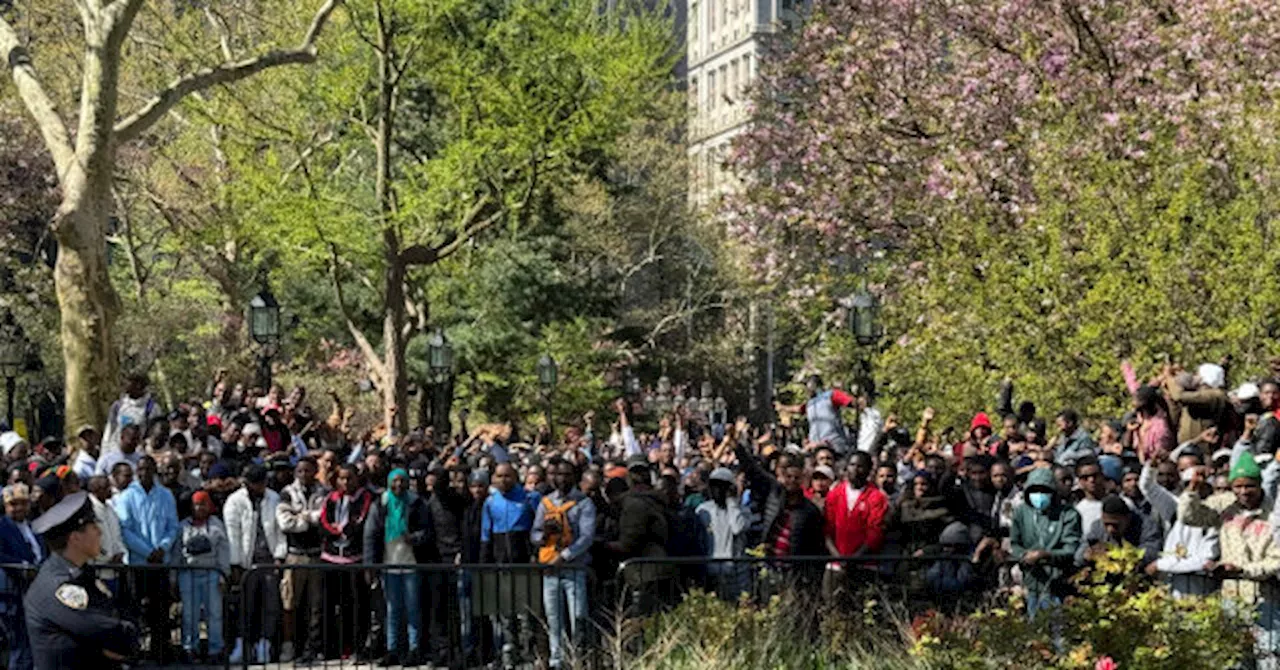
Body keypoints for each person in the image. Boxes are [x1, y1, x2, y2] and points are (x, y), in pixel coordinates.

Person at [1178, 450, 1280, 660]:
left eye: (1249, 485)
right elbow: (1189, 517)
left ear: (1260, 485)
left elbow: (1277, 561)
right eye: (1238, 486)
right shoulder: (1225, 505)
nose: (1243, 492)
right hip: (1232, 599)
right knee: (1233, 659)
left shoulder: (1273, 514)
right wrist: (1192, 490)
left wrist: (1244, 570)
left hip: (1265, 599)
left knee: (1268, 659)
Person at [24, 493, 139, 669]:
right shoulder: (59, 586)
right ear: (75, 537)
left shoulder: (81, 574)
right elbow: (119, 638)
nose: (100, 532)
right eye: (94, 527)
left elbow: (112, 618)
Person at [531, 457, 596, 670]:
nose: (562, 479)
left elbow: (586, 537)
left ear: (575, 477)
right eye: (559, 475)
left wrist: (565, 556)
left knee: (578, 616)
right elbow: (534, 533)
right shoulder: (545, 503)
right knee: (553, 617)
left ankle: (578, 657)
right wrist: (543, 536)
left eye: (567, 475)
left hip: (573, 568)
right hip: (550, 569)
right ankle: (556, 660)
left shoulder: (584, 503)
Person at [112, 455, 178, 662]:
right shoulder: (127, 496)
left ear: (154, 470)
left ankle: (160, 651)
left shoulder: (166, 495)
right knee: (134, 610)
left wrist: (162, 548)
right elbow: (126, 530)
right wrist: (147, 552)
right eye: (140, 469)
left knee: (160, 609)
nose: (144, 473)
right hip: (138, 563)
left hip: (160, 562)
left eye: (148, 469)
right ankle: (134, 652)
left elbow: (172, 526)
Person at [364, 468, 433, 667]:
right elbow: (371, 534)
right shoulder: (381, 504)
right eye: (395, 481)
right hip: (389, 562)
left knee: (413, 608)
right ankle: (392, 649)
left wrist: (414, 538)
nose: (398, 485)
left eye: (402, 481)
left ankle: (414, 648)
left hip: (411, 562)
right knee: (392, 610)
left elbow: (427, 531)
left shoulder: (417, 503)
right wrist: (370, 565)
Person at [224, 464, 286, 664]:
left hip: (268, 560)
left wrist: (279, 555)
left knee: (270, 605)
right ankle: (242, 645)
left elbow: (279, 530)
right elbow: (233, 533)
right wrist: (236, 563)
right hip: (246, 563)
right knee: (246, 606)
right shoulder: (235, 501)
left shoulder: (273, 498)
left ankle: (264, 646)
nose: (261, 486)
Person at [481, 462, 538, 670]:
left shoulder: (529, 498)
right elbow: (485, 534)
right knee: (506, 613)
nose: (503, 480)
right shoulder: (490, 502)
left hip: (523, 562)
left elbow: (537, 529)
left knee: (525, 613)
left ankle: (528, 653)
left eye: (507, 476)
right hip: (501, 563)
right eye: (499, 476)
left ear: (515, 477)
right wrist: (485, 563)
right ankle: (509, 652)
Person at [275, 457, 328, 665]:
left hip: (316, 554)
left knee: (315, 605)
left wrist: (301, 516)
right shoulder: (287, 492)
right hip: (294, 554)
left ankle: (313, 647)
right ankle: (290, 646)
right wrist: (308, 519)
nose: (304, 475)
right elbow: (285, 523)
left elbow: (323, 517)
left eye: (308, 471)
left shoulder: (322, 491)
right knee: (290, 603)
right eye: (300, 471)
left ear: (314, 471)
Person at [1009, 466, 1082, 617]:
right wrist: (1024, 556)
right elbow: (1015, 544)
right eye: (1034, 490)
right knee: (1035, 630)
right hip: (1032, 581)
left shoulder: (1068, 515)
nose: (1039, 495)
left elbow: (1070, 548)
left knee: (1058, 631)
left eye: (1044, 490)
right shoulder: (1021, 513)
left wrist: (1046, 555)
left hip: (1058, 583)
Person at [319, 463, 375, 662]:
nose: (345, 482)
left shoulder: (365, 497)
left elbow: (360, 521)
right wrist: (335, 531)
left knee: (355, 606)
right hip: (331, 557)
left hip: (354, 558)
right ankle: (332, 647)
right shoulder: (331, 498)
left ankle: (357, 646)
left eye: (349, 478)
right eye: (342, 478)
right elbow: (323, 521)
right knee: (329, 605)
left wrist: (344, 529)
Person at [176, 491, 229, 663]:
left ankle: (215, 648)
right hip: (188, 572)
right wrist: (172, 577)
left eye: (203, 504)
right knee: (189, 613)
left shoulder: (216, 525)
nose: (199, 508)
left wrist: (223, 575)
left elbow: (223, 551)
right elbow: (176, 552)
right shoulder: (183, 526)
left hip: (212, 571)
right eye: (196, 504)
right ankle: (190, 648)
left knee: (214, 613)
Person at [0, 484, 39, 670]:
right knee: (19, 646)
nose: (19, 508)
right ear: (5, 506)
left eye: (23, 503)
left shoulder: (33, 525)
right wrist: (23, 567)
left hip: (35, 593)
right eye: (13, 504)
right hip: (13, 595)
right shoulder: (2, 527)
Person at [694, 467, 747, 601]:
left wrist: (732, 503)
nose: (717, 490)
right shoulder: (703, 510)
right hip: (710, 570)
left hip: (735, 573)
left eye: (721, 486)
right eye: (714, 485)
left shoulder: (742, 511)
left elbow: (737, 528)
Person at [1075, 495, 1162, 572]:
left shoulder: (1147, 525)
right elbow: (1079, 554)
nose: (1110, 530)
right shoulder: (1097, 526)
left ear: (1128, 518)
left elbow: (1152, 551)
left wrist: (1121, 557)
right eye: (1106, 524)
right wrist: (1087, 554)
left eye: (1115, 525)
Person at [775, 375, 854, 454]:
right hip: (814, 446)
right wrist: (782, 407)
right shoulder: (810, 404)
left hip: (833, 444)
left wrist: (859, 403)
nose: (807, 389)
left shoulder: (831, 395)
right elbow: (798, 409)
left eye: (808, 386)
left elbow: (849, 401)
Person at [102, 374, 163, 457]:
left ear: (138, 385)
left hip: (138, 454)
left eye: (129, 382)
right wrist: (105, 452)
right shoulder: (118, 405)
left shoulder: (152, 408)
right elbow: (109, 431)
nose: (125, 384)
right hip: (115, 451)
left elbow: (155, 435)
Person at [85, 477, 124, 592]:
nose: (110, 490)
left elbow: (117, 535)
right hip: (98, 570)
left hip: (114, 570)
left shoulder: (110, 509)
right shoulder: (89, 509)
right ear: (96, 490)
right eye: (106, 487)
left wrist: (119, 552)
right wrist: (107, 556)